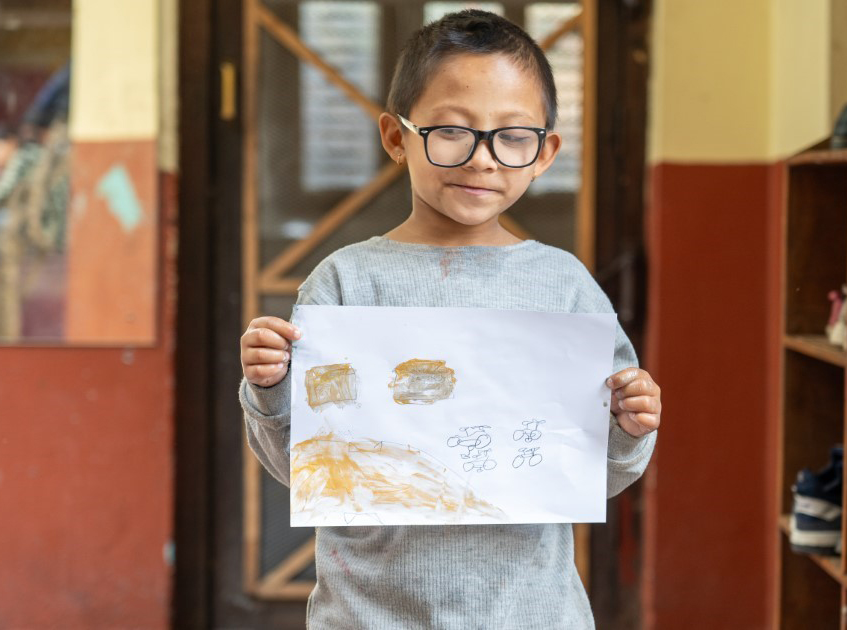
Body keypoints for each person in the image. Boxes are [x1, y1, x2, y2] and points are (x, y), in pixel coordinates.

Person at [238, 10, 662, 628]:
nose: (483, 159)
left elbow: (599, 472)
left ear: (545, 153)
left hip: (531, 614)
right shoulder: (347, 282)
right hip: (368, 615)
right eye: (452, 131)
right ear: (395, 137)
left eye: (513, 136)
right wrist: (270, 389)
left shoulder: (563, 287)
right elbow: (300, 466)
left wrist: (630, 425)